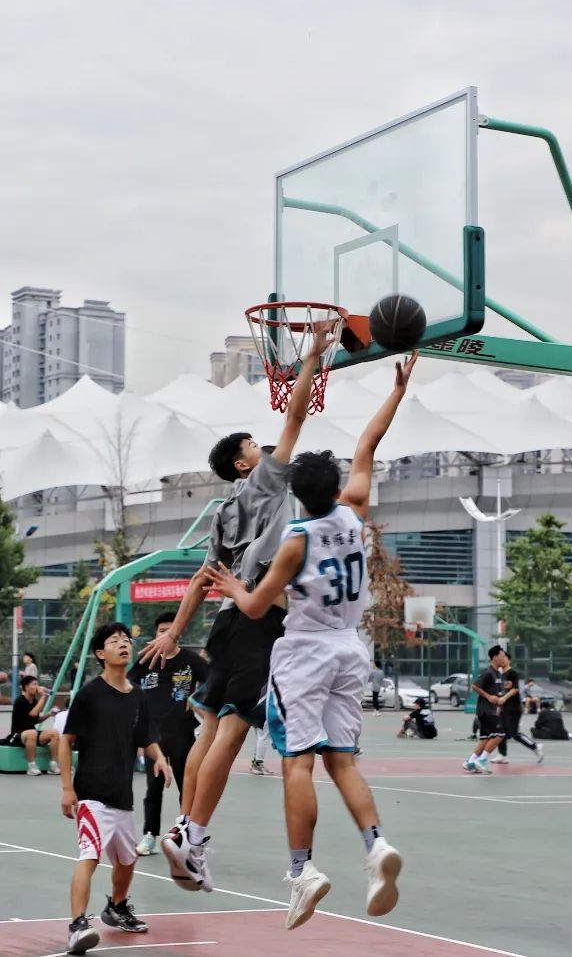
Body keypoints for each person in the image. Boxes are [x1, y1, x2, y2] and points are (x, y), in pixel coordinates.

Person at [208, 353, 417, 929]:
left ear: (296, 496)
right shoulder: (354, 512)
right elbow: (369, 441)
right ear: (336, 486)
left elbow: (255, 606)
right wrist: (397, 391)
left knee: (296, 764)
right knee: (342, 761)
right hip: (351, 648)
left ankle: (302, 870)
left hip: (304, 653)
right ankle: (376, 844)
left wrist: (233, 584)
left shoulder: (296, 539)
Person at [140, 333, 331, 893]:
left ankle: (185, 827)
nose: (264, 447)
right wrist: (313, 357)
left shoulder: (223, 514)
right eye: (254, 444)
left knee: (209, 729)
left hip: (226, 623)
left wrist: (175, 633)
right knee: (234, 729)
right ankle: (194, 834)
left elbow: (202, 580)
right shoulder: (266, 483)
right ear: (244, 463)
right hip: (260, 620)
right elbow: (295, 417)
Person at [59, 621, 172, 956]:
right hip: (91, 793)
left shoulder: (137, 695)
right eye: (114, 641)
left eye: (126, 640)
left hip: (122, 794)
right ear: (100, 653)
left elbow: (146, 735)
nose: (123, 644)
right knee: (90, 856)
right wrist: (67, 789)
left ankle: (116, 908)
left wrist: (160, 758)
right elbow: (65, 741)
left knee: (127, 859)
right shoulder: (89, 694)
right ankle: (77, 925)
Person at [128, 612, 208, 856]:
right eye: (161, 631)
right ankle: (149, 836)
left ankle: (188, 836)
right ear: (155, 634)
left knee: (188, 786)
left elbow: (214, 681)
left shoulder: (191, 661)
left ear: (178, 633)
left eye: (169, 631)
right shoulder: (147, 660)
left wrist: (197, 700)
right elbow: (127, 684)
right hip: (154, 737)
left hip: (183, 733)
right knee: (153, 789)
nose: (164, 635)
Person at [491, 652, 544, 764]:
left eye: (504, 658)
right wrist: (499, 706)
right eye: (500, 658)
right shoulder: (500, 675)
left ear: (509, 660)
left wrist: (504, 698)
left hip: (514, 709)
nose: (501, 660)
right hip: (504, 708)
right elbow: (500, 692)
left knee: (514, 734)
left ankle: (535, 746)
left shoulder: (512, 673)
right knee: (500, 731)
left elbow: (514, 690)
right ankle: (502, 755)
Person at [3, 676, 60, 776]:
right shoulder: (20, 701)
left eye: (37, 684)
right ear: (26, 687)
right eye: (34, 684)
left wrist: (49, 714)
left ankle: (53, 766)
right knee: (32, 733)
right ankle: (31, 766)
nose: (37, 687)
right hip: (18, 735)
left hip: (31, 734)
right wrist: (43, 697)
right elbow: (32, 714)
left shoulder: (34, 701)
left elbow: (36, 719)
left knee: (54, 733)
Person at [463, 646, 507, 774]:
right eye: (502, 656)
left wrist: (499, 704)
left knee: (485, 738)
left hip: (490, 710)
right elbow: (474, 686)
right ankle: (482, 760)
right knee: (500, 734)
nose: (504, 658)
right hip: (486, 710)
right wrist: (488, 697)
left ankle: (470, 762)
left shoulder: (498, 674)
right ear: (495, 657)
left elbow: (497, 693)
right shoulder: (488, 672)